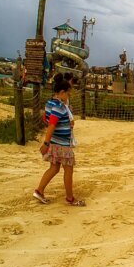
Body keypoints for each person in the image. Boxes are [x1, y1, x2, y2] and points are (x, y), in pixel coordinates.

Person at [34, 74, 85, 206]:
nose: (68, 97)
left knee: (54, 168)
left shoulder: (49, 103)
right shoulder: (59, 107)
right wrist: (45, 143)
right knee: (68, 170)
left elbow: (46, 119)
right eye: (68, 94)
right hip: (61, 144)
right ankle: (70, 198)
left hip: (55, 142)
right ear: (62, 92)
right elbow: (52, 124)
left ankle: (39, 191)